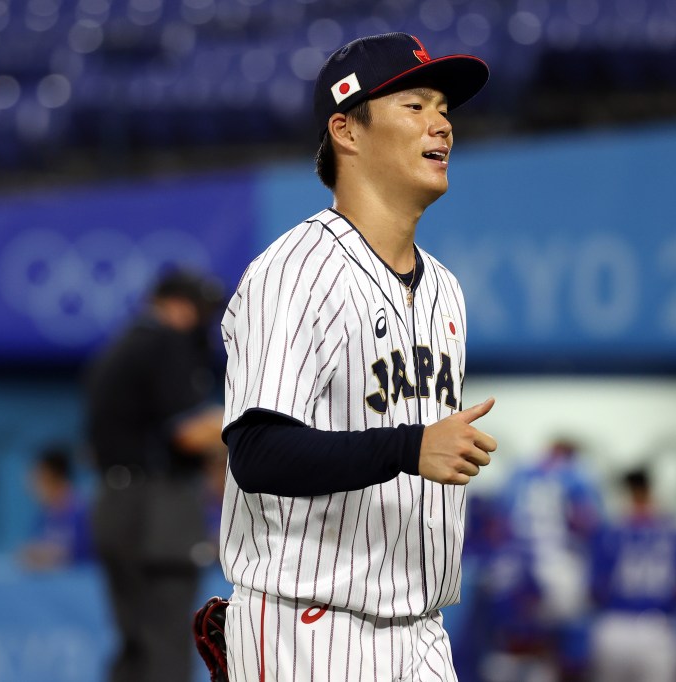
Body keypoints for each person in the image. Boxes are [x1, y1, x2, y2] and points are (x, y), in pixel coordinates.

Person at [217, 33, 496, 681]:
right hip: (309, 626)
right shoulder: (295, 270)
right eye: (416, 105)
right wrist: (407, 447)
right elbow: (256, 453)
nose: (442, 123)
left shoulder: (446, 288)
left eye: (445, 109)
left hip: (423, 631)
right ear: (346, 129)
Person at [85, 268, 227, 682]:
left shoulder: (117, 348)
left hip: (113, 503)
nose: (203, 321)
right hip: (157, 509)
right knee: (165, 639)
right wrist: (255, 423)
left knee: (135, 640)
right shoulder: (166, 343)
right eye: (199, 310)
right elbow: (188, 433)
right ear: (176, 306)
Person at [497, 438, 605, 679]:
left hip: (517, 564)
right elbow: (587, 521)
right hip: (560, 565)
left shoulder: (519, 473)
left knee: (518, 641)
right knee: (567, 641)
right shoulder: (576, 476)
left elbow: (501, 521)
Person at [588, 469, 676, 682]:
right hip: (657, 627)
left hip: (615, 626)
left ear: (627, 493)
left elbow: (596, 589)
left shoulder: (610, 533)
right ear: (652, 490)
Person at [19, 445, 92, 570]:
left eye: (36, 479)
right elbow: (31, 550)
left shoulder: (84, 512)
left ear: (50, 476)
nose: (33, 487)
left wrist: (53, 555)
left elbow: (82, 552)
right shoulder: (45, 515)